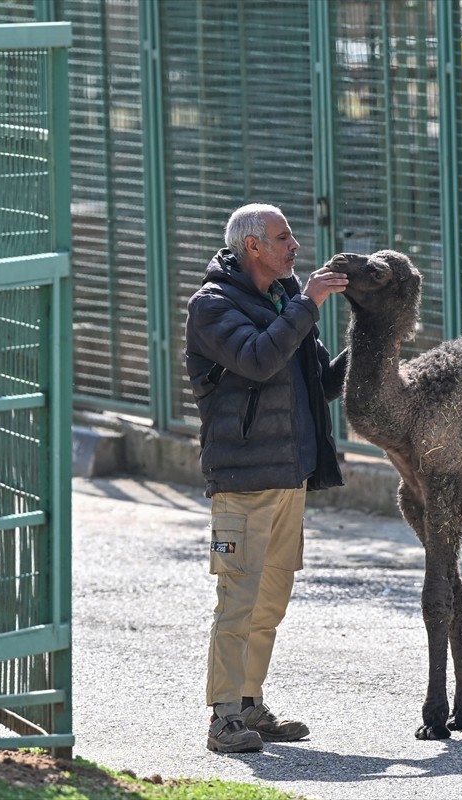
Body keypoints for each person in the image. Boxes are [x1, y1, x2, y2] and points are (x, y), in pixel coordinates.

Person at [184, 203, 350, 754]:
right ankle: (223, 718)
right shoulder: (211, 306)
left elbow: (318, 382)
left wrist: (370, 343)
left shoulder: (284, 300)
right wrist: (308, 304)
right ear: (252, 247)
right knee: (238, 598)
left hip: (289, 476)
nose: (295, 247)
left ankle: (250, 704)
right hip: (243, 482)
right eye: (283, 238)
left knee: (270, 601)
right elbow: (257, 359)